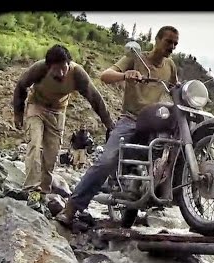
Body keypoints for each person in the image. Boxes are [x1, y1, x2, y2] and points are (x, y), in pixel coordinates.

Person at [56, 26, 180, 225]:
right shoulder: (136, 58)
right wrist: (125, 75)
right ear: (156, 40)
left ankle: (173, 198)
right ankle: (71, 209)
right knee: (106, 161)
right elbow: (105, 76)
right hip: (130, 119)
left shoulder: (170, 66)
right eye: (168, 42)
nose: (172, 47)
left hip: (154, 122)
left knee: (175, 146)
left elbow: (175, 89)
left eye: (175, 44)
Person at [13, 44, 114, 210]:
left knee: (51, 154)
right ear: (48, 66)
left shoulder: (77, 74)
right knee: (34, 145)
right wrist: (18, 113)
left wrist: (109, 123)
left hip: (58, 111)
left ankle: (43, 192)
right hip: (36, 106)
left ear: (69, 64)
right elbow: (21, 86)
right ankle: (32, 190)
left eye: (64, 68)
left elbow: (95, 98)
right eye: (56, 69)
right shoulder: (39, 69)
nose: (60, 73)